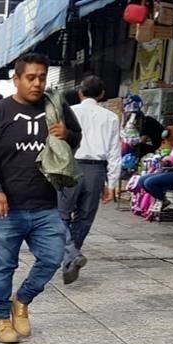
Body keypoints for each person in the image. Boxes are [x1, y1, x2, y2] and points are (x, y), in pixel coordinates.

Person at [0, 52, 82, 344]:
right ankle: (0, 319)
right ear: (17, 79)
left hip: (46, 203)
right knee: (4, 267)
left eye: (42, 77)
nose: (37, 83)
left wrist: (67, 135)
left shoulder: (55, 106)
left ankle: (21, 301)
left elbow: (76, 136)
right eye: (30, 77)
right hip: (7, 206)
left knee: (52, 258)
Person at [58, 75, 121, 285]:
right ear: (102, 94)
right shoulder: (111, 117)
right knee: (84, 217)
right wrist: (111, 183)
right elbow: (114, 152)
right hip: (96, 170)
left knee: (61, 215)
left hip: (71, 166)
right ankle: (72, 256)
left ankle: (70, 254)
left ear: (80, 92)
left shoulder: (70, 112)